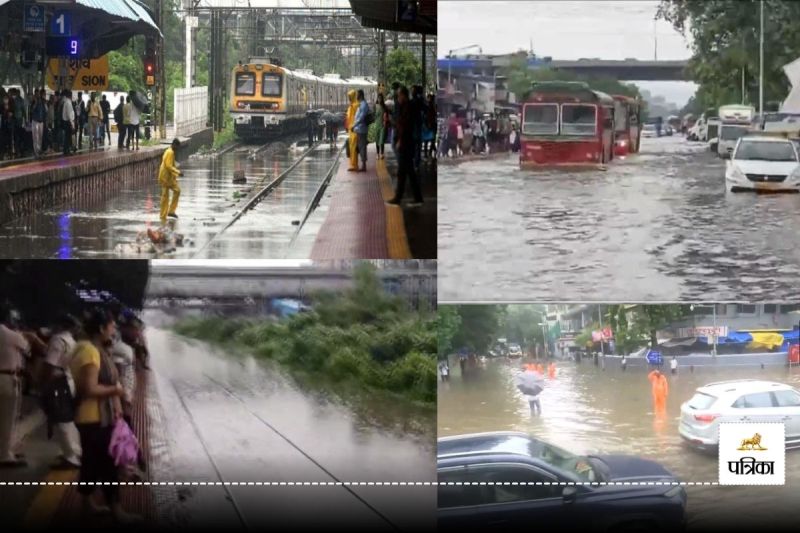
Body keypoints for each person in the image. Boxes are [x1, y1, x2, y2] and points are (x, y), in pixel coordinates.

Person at [69, 308, 139, 523]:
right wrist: (116, 391)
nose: (114, 329)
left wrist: (116, 406)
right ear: (101, 328)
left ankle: (87, 505)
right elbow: (89, 388)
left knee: (91, 463)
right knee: (108, 465)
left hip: (92, 418)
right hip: (94, 418)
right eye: (111, 326)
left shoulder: (86, 347)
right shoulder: (90, 351)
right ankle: (117, 511)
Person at [40, 314, 82, 469]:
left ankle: (70, 457)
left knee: (61, 420)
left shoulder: (58, 340)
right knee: (69, 419)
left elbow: (50, 365)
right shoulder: (72, 341)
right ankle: (75, 452)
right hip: (69, 382)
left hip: (58, 382)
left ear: (61, 325)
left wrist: (43, 384)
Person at [0, 305, 29, 467]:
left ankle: (8, 448)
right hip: (7, 378)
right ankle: (5, 454)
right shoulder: (11, 335)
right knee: (7, 418)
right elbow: (27, 348)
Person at [386, 86, 423, 207]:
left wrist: (400, 140)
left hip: (406, 142)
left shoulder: (408, 107)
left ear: (403, 95)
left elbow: (405, 126)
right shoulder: (406, 107)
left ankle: (399, 198)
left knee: (403, 172)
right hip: (407, 142)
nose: (398, 97)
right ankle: (417, 198)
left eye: (399, 95)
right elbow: (400, 124)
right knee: (409, 172)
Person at [158, 138, 183, 222]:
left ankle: (171, 211)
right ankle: (163, 216)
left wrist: (176, 173)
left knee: (177, 190)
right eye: (177, 147)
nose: (178, 149)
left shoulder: (170, 151)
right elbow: (168, 166)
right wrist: (178, 172)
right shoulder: (170, 152)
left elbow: (171, 164)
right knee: (165, 197)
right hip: (165, 177)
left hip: (169, 178)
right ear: (174, 145)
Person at [353, 89, 369, 172]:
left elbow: (361, 118)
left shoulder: (363, 105)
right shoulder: (361, 104)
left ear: (361, 95)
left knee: (362, 147)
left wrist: (354, 125)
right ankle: (363, 164)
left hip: (362, 129)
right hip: (359, 129)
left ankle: (364, 165)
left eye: (357, 95)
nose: (356, 96)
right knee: (360, 146)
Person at [30, 92, 47, 158]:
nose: (38, 96)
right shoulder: (33, 102)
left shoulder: (43, 102)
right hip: (35, 121)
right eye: (37, 95)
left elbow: (45, 111)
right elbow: (31, 110)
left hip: (41, 122)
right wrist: (35, 102)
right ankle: (36, 152)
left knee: (40, 137)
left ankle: (39, 150)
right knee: (35, 137)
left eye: (39, 95)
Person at [345, 89, 359, 171]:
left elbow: (356, 117)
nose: (349, 98)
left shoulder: (356, 105)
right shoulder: (351, 106)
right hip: (351, 129)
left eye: (350, 97)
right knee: (351, 147)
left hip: (355, 129)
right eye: (348, 97)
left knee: (354, 147)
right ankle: (352, 164)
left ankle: (354, 165)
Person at [61, 90, 76, 156]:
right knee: (68, 137)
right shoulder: (68, 103)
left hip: (65, 121)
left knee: (66, 137)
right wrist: (72, 124)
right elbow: (70, 114)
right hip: (68, 122)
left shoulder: (65, 102)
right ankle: (67, 151)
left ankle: (65, 150)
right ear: (70, 95)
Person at [374, 94, 388, 160]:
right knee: (377, 140)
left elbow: (386, 116)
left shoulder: (384, 107)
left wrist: (385, 123)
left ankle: (382, 153)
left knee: (381, 140)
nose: (379, 99)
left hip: (382, 125)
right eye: (378, 98)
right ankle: (377, 153)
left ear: (382, 99)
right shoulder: (375, 106)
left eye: (380, 98)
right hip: (376, 125)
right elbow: (373, 115)